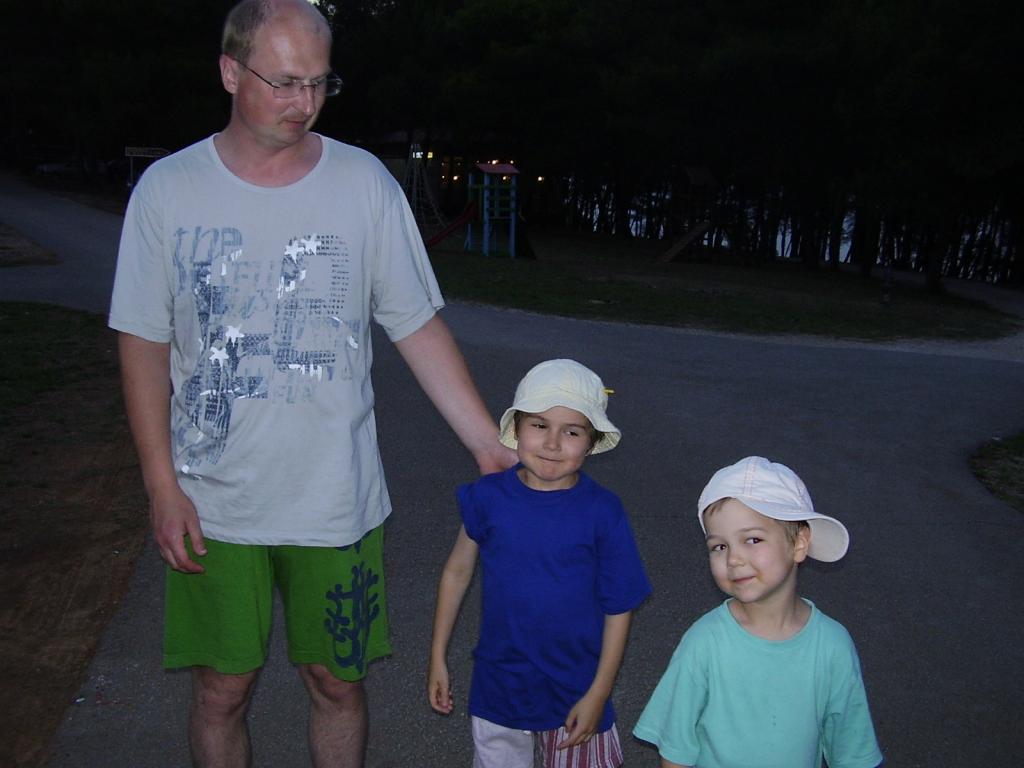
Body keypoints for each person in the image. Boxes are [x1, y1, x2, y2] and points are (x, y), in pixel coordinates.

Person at [108, 1, 514, 765]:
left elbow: (415, 325)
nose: (305, 103)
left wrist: (489, 446)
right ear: (231, 72)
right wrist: (162, 486)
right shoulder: (168, 190)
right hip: (214, 501)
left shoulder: (363, 184)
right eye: (285, 82)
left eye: (320, 83)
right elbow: (143, 345)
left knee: (336, 683)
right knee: (221, 689)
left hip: (336, 498)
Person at [428, 359, 652, 768]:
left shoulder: (603, 512)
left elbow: (619, 606)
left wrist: (599, 693)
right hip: (500, 685)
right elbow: (456, 572)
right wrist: (437, 655)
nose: (552, 443)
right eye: (539, 425)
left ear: (590, 442)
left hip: (577, 688)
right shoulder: (487, 498)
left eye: (572, 431)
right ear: (516, 428)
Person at [633, 456, 883, 768]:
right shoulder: (705, 642)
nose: (734, 559)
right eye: (719, 546)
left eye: (752, 539)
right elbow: (676, 750)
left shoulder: (833, 646)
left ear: (799, 544)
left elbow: (852, 753)